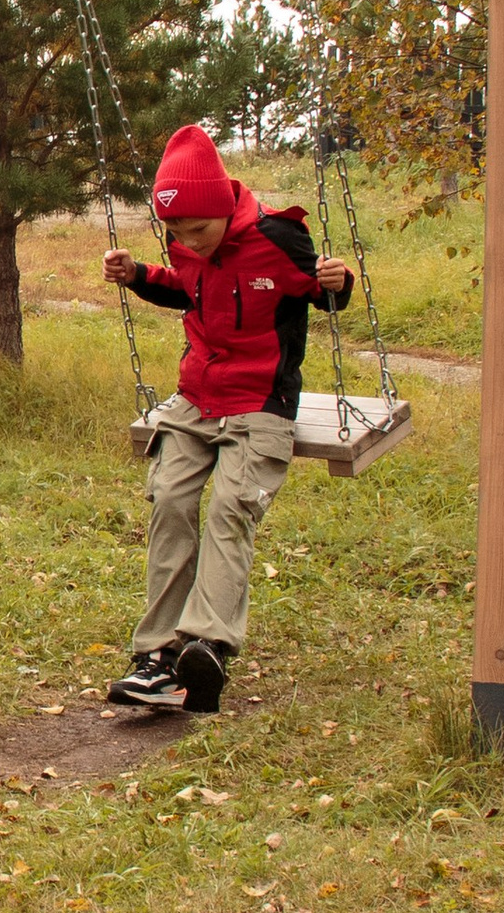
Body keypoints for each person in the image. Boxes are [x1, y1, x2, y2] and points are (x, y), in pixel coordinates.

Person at [100, 122, 353, 717]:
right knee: (168, 500)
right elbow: (188, 290)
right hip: (196, 397)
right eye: (176, 231)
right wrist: (140, 275)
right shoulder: (186, 243)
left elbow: (326, 297)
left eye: (198, 228)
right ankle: (157, 657)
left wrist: (337, 284)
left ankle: (207, 646)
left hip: (261, 403)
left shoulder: (279, 239)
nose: (189, 240)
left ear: (223, 208)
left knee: (229, 507)